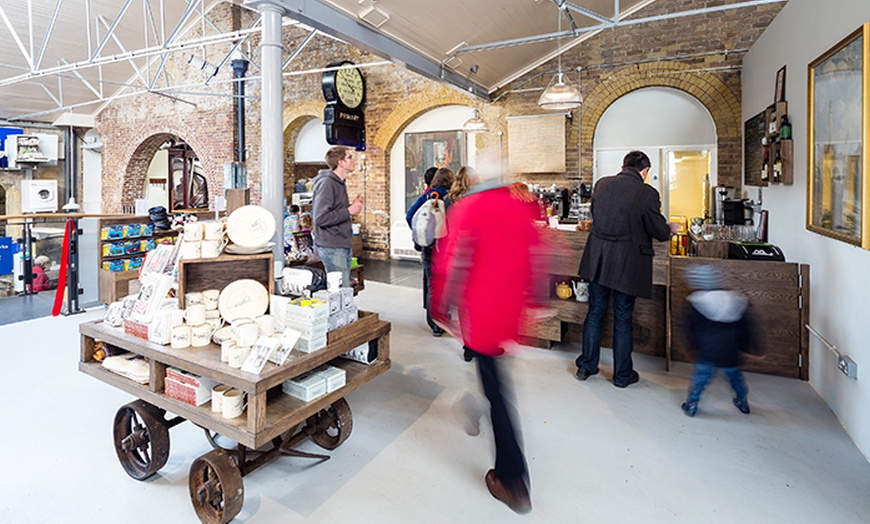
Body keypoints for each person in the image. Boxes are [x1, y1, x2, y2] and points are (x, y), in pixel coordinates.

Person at [430, 172, 545, 514]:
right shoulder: (522, 205)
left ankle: (513, 481)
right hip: (511, 308)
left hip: (481, 311)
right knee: (493, 374)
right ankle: (478, 406)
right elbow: (539, 251)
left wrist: (439, 306)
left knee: (497, 390)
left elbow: (449, 259)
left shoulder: (469, 206)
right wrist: (538, 301)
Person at [575, 150, 679, 388]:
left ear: (623, 166)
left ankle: (586, 367)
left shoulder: (601, 185)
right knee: (622, 317)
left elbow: (596, 216)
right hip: (626, 263)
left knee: (595, 312)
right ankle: (622, 376)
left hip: (598, 259)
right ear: (644, 171)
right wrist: (669, 227)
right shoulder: (646, 193)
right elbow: (658, 231)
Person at [681, 265, 759, 417]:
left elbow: (690, 330)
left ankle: (691, 405)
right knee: (736, 380)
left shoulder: (696, 303)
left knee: (699, 381)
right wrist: (748, 348)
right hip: (731, 351)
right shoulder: (736, 300)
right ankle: (742, 401)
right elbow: (746, 329)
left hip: (707, 351)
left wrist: (693, 348)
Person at [406, 167, 454, 337]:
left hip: (428, 247)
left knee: (432, 286)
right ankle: (443, 318)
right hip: (445, 248)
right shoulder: (450, 198)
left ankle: (434, 324)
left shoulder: (428, 196)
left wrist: (421, 236)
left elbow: (409, 215)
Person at [312, 146, 363, 288]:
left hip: (341, 243)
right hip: (332, 246)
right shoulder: (327, 183)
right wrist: (349, 211)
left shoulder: (339, 182)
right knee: (339, 291)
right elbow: (321, 218)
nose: (353, 160)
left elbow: (336, 210)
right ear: (340, 163)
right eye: (349, 157)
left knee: (344, 290)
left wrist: (352, 207)